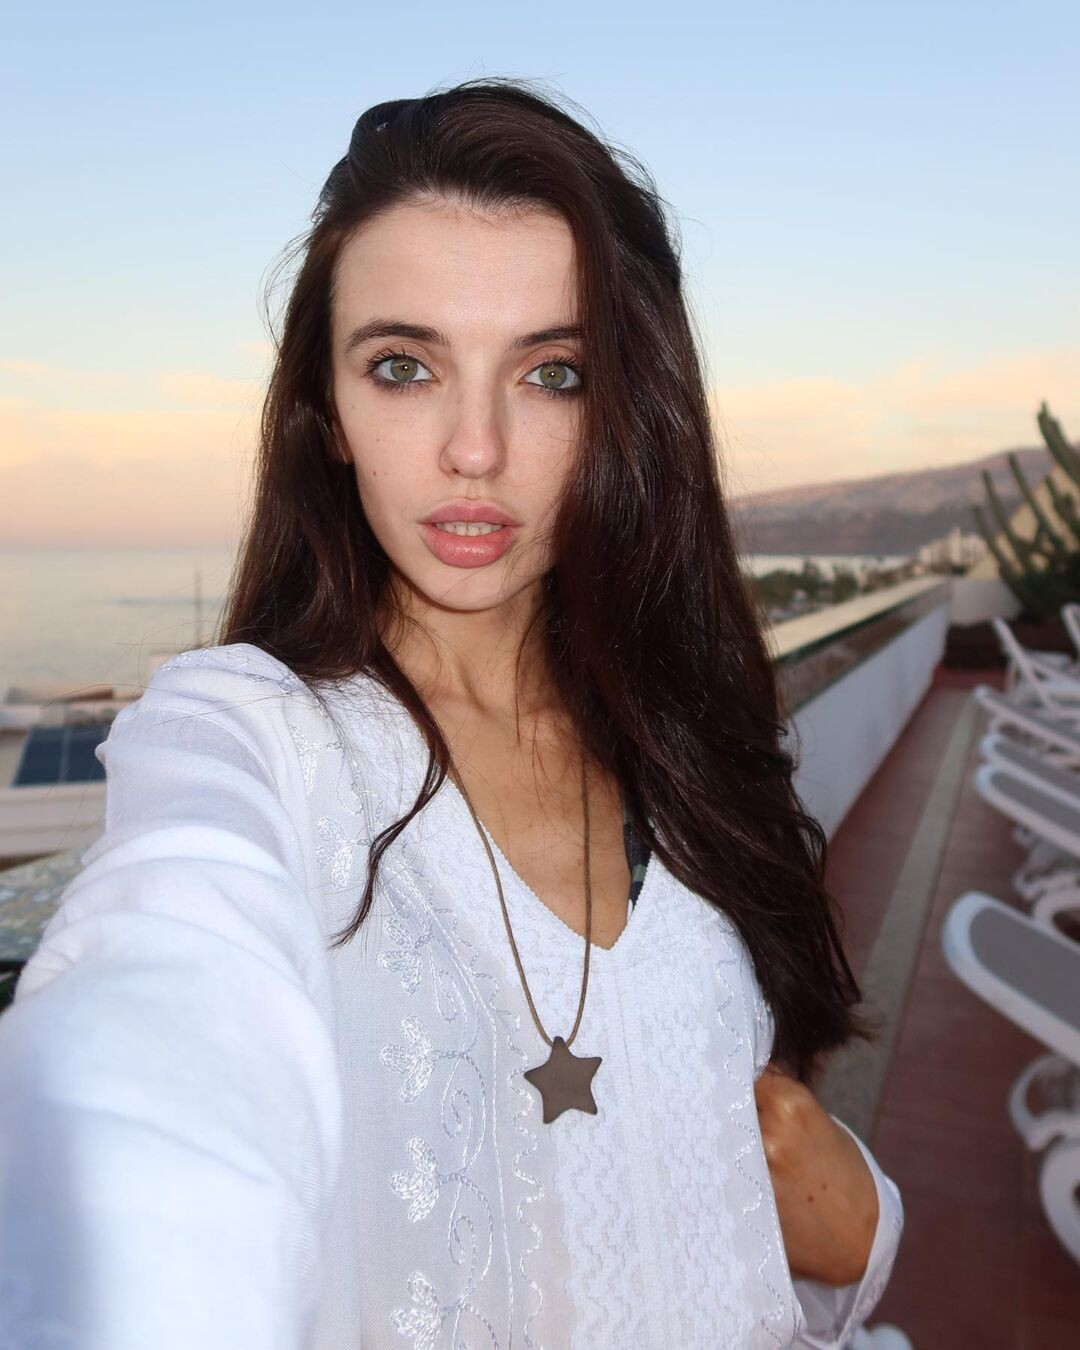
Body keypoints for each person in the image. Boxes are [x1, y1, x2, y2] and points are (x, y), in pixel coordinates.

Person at [0, 79, 904, 1348]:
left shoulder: (678, 730)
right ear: (327, 414)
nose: (474, 448)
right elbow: (156, 1041)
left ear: (625, 413)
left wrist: (864, 1220)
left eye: (553, 373)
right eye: (405, 367)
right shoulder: (248, 738)